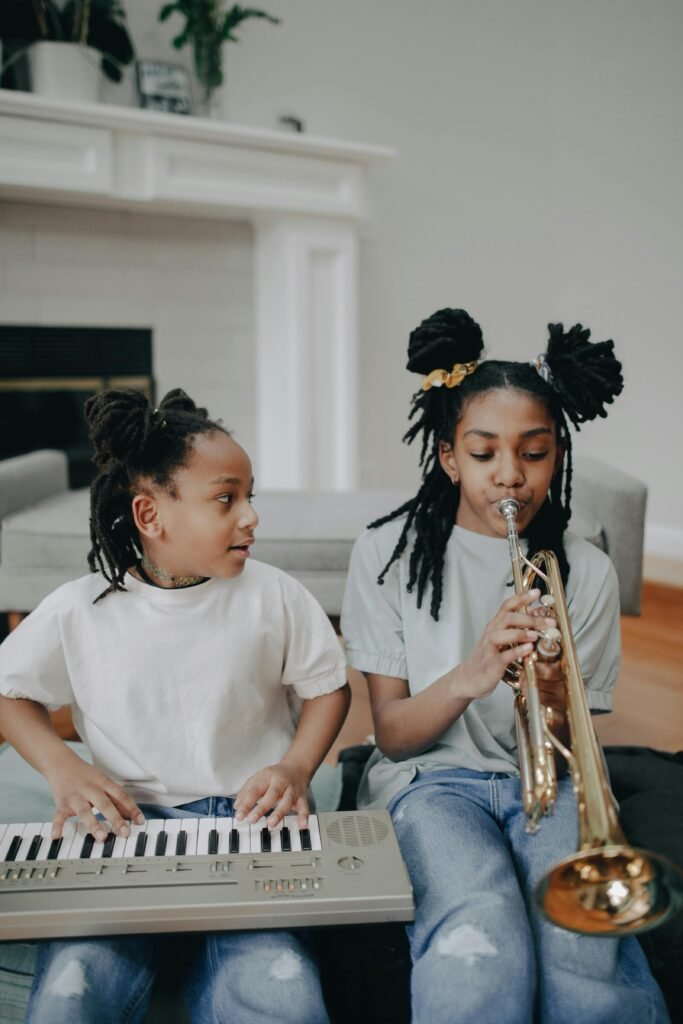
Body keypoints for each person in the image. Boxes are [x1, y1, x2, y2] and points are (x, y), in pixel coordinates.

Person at [341, 309, 669, 1024]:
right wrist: (473, 670)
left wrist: (541, 677)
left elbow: (565, 745)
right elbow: (393, 735)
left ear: (558, 457)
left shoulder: (582, 570)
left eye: (533, 453)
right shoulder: (386, 554)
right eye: (484, 454)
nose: (509, 478)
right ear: (448, 456)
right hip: (428, 783)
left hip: (546, 784)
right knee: (478, 928)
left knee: (577, 942)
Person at [0, 387, 350, 1024]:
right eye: (226, 498)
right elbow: (11, 692)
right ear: (150, 515)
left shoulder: (274, 595)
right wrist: (64, 768)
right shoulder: (80, 608)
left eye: (250, 497)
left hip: (250, 823)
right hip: (120, 826)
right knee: (70, 994)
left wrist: (296, 768)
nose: (250, 517)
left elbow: (328, 688)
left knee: (283, 991)